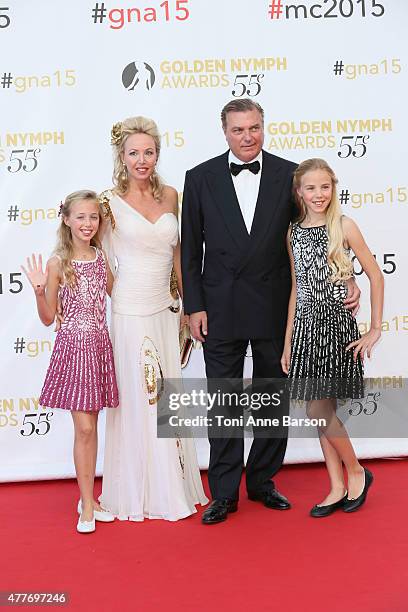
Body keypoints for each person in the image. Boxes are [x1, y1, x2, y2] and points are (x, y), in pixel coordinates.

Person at [181, 98, 361, 525]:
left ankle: (262, 481)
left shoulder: (289, 174)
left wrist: (348, 274)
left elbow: (320, 230)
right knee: (222, 400)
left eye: (255, 128)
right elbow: (190, 250)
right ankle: (223, 493)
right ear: (224, 131)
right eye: (239, 130)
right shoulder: (200, 177)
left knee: (271, 399)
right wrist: (194, 307)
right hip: (219, 305)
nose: (248, 137)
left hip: (276, 305)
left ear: (264, 127)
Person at [98, 116, 208, 521]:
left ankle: (171, 484)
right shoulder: (106, 202)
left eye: (148, 152)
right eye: (133, 153)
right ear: (121, 157)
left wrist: (186, 305)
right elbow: (100, 262)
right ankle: (139, 491)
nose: (141, 160)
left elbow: (179, 254)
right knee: (141, 395)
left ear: (157, 154)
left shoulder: (171, 196)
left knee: (166, 397)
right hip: (129, 308)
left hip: (166, 308)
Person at [281, 158, 384, 517]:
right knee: (321, 409)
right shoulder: (293, 232)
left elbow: (376, 275)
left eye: (325, 186)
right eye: (311, 188)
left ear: (333, 188)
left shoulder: (343, 225)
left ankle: (356, 471)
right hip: (306, 329)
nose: (318, 194)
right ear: (299, 192)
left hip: (336, 327)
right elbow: (298, 287)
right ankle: (337, 485)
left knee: (319, 409)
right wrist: (287, 341)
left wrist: (375, 328)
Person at [22, 190, 119, 533]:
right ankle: (86, 506)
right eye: (80, 217)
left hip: (99, 348)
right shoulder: (57, 262)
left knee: (91, 429)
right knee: (85, 428)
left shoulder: (101, 257)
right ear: (66, 219)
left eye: (93, 217)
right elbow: (49, 317)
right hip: (73, 350)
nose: (87, 223)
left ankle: (88, 498)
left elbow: (116, 296)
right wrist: (37, 291)